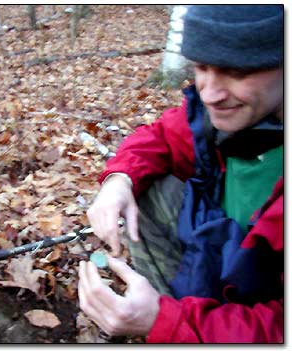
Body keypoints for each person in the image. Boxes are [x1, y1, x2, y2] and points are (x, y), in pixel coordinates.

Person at [78, 5, 283, 343]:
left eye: (237, 71)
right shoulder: (223, 121)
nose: (210, 94)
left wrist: (166, 323)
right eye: (201, 67)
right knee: (145, 189)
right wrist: (118, 181)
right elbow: (160, 137)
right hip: (232, 260)